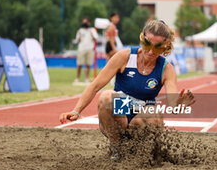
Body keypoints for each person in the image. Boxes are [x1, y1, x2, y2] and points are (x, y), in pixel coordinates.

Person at [60, 20, 195, 160]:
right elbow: (95, 86)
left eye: (157, 48)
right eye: (147, 44)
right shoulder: (124, 57)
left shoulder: (166, 69)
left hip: (141, 119)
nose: (150, 51)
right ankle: (117, 148)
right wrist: (76, 111)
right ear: (142, 38)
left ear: (165, 46)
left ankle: (139, 150)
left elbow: (172, 104)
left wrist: (181, 104)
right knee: (107, 96)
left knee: (155, 113)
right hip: (119, 116)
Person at [75, 18, 98, 84]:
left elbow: (95, 39)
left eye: (86, 22)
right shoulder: (80, 30)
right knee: (80, 64)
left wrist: (91, 34)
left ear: (89, 23)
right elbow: (78, 40)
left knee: (88, 64)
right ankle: (77, 78)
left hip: (90, 49)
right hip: (81, 48)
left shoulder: (92, 30)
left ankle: (86, 78)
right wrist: (79, 36)